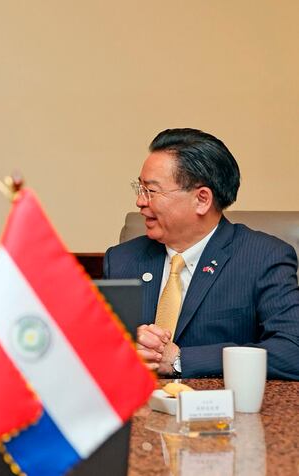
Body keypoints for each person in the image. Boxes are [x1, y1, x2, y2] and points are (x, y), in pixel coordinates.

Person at [104, 128, 299, 380]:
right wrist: (126, 347)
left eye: (151, 191)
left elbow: (291, 351)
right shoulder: (122, 260)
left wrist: (179, 360)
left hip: (222, 413)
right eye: (139, 189)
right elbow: (92, 351)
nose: (140, 202)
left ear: (202, 199)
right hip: (140, 411)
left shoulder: (263, 258)